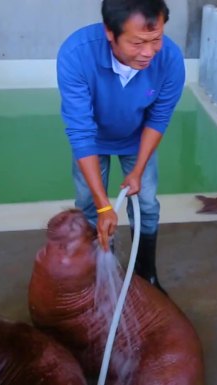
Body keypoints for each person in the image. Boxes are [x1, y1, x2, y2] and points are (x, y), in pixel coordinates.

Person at [57, 0, 185, 294]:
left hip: (137, 139)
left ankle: (145, 273)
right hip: (92, 141)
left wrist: (138, 170)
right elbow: (80, 131)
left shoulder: (170, 59)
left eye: (156, 39)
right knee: (91, 207)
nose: (149, 52)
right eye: (138, 42)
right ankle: (105, 276)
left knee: (148, 205)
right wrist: (104, 205)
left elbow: (159, 117)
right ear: (110, 34)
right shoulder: (76, 55)